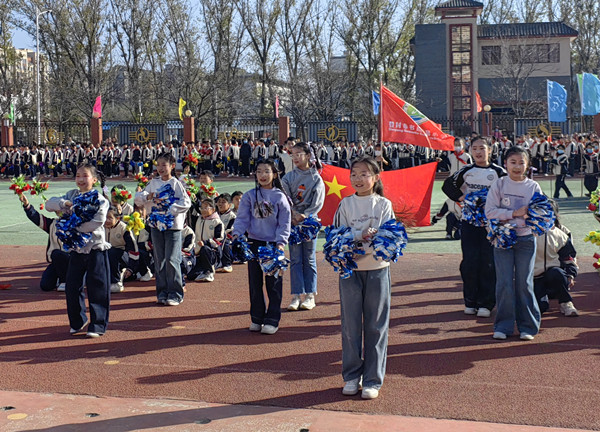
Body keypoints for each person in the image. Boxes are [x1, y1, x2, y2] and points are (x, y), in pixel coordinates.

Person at [333, 157, 395, 400]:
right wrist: (359, 235)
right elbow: (336, 237)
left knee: (376, 325)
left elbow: (390, 237)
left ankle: (372, 380)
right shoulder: (345, 204)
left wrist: (365, 244)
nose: (358, 179)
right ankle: (351, 376)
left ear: (376, 178)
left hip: (377, 268)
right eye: (354, 174)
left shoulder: (384, 205)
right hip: (350, 269)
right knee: (350, 325)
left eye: (364, 174)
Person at [442, 136, 506, 318]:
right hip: (469, 222)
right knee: (469, 262)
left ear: (490, 150)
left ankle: (486, 303)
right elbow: (447, 186)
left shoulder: (499, 172)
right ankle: (470, 301)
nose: (478, 152)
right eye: (475, 148)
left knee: (488, 262)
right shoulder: (466, 170)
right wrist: (462, 198)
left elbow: (507, 192)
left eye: (482, 148)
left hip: (490, 225)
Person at [45, 163, 111, 338]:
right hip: (76, 250)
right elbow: (49, 204)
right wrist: (65, 203)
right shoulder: (71, 195)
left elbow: (97, 222)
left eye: (85, 176)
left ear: (94, 180)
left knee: (98, 288)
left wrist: (73, 228)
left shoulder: (100, 199)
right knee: (72, 287)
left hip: (96, 249)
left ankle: (98, 325)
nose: (81, 179)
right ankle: (78, 321)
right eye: (78, 176)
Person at [485, 146, 542, 340]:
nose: (517, 167)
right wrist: (514, 213)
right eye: (513, 162)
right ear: (505, 164)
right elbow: (490, 212)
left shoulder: (533, 187)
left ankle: (528, 327)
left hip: (526, 239)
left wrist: (530, 217)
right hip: (502, 240)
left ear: (528, 165)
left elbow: (539, 213)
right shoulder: (499, 184)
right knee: (504, 282)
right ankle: (503, 326)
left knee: (524, 283)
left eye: (521, 163)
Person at [232, 159, 291, 335]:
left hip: (273, 245)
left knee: (273, 284)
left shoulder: (280, 196)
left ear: (274, 174)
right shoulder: (249, 196)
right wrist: (237, 234)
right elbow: (242, 218)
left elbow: (284, 223)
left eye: (266, 171)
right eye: (259, 171)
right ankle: (257, 318)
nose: (262, 175)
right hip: (253, 243)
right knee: (255, 283)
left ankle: (272, 319)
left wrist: (281, 243)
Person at [134, 153, 191, 306]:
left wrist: (170, 209)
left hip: (173, 227)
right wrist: (148, 197)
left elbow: (186, 202)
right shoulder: (153, 183)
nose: (160, 168)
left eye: (164, 165)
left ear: (172, 166)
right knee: (159, 260)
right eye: (158, 165)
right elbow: (138, 199)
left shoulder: (176, 183)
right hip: (156, 226)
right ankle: (162, 292)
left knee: (172, 259)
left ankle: (175, 293)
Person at [281, 142, 325, 311]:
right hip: (292, 222)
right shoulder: (288, 178)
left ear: (308, 156)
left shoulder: (316, 178)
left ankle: (310, 295)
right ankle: (296, 295)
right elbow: (284, 199)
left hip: (309, 223)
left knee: (309, 258)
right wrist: (293, 214)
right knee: (295, 259)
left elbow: (318, 202)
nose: (295, 157)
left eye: (299, 153)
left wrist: (306, 215)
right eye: (293, 154)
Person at [534, 200, 579, 317]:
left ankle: (566, 302)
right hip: (534, 277)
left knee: (557, 273)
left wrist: (570, 275)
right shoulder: (528, 230)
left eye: (549, 213)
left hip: (554, 276)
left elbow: (569, 256)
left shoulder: (561, 233)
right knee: (540, 308)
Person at [19, 192, 69, 291]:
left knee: (57, 254)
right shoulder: (53, 224)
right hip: (56, 262)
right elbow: (36, 218)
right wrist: (26, 205)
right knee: (46, 286)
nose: (58, 211)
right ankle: (60, 278)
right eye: (57, 210)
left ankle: (65, 281)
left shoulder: (76, 223)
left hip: (72, 261)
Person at [104, 206, 139, 293]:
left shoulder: (124, 228)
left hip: (122, 255)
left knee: (111, 252)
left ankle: (116, 282)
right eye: (105, 217)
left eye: (110, 218)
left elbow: (133, 249)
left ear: (117, 218)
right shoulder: (100, 227)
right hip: (106, 254)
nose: (106, 221)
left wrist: (130, 268)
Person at [189, 198, 224, 282]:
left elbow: (218, 240)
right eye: (202, 208)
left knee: (205, 249)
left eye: (206, 208)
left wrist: (206, 242)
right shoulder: (199, 219)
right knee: (191, 276)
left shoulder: (217, 222)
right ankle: (204, 269)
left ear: (213, 209)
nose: (203, 210)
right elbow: (194, 207)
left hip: (212, 252)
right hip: (199, 252)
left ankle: (209, 271)